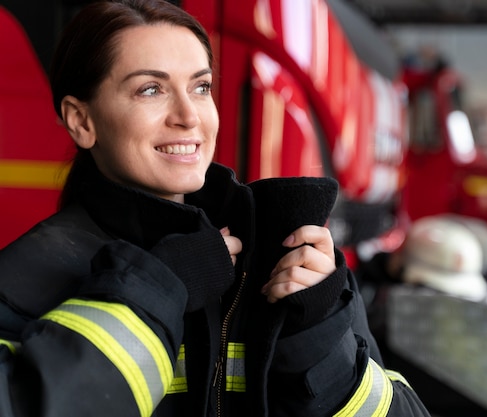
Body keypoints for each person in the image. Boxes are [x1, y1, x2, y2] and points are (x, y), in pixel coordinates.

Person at [0, 1, 430, 416]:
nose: (189, 116)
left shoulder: (292, 258)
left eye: (201, 87)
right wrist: (153, 291)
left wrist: (319, 334)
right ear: (81, 121)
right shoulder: (22, 280)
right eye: (151, 89)